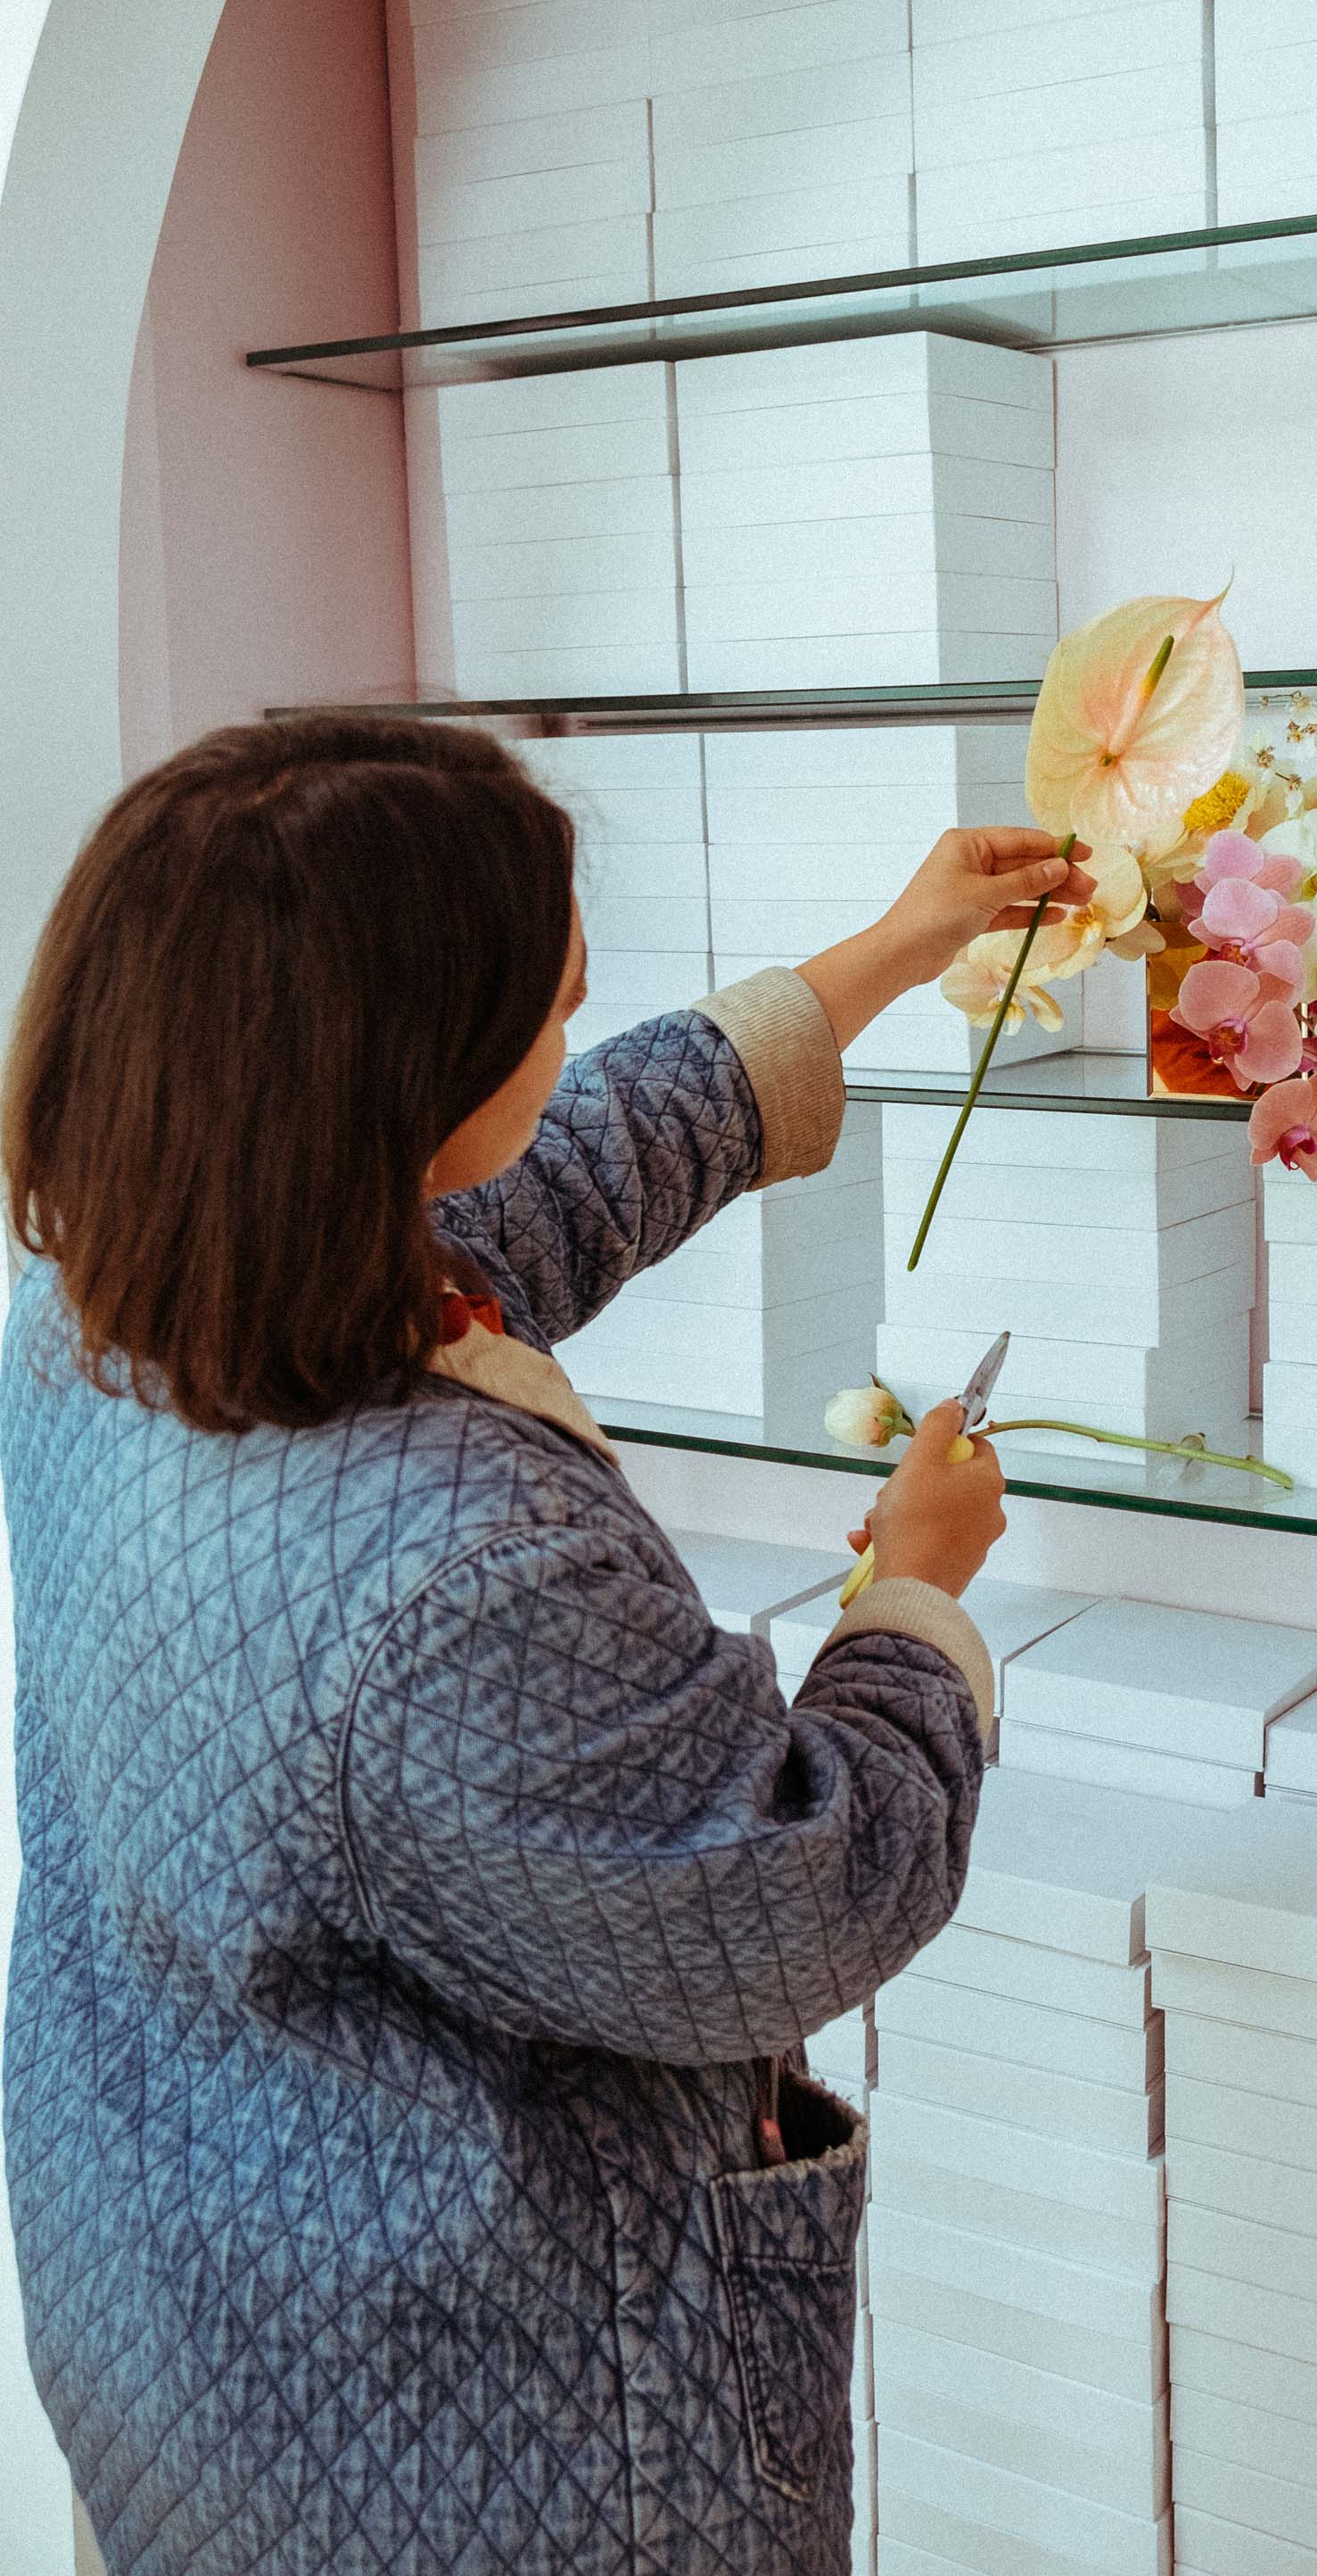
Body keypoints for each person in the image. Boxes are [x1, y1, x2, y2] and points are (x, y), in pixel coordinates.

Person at [0, 712, 1095, 2576]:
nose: (580, 973)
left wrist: (891, 951)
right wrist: (909, 1599)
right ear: (388, 1067)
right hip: (471, 2431)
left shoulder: (106, 1313)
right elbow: (792, 1897)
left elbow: (556, 1175)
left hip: (177, 2314)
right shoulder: (455, 1569)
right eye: (540, 968)